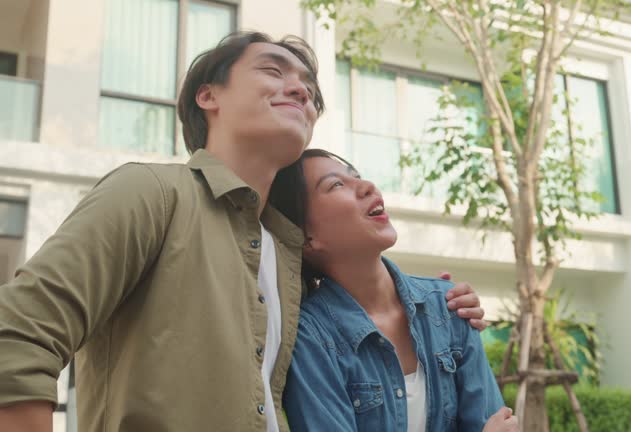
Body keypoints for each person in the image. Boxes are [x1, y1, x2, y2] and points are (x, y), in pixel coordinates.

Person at [0, 32, 487, 432]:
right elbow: (18, 337)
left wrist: (435, 301)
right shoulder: (150, 192)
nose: (301, 91)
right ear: (208, 95)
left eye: (311, 90)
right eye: (273, 71)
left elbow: (361, 311)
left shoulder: (287, 254)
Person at [270, 149, 518, 432]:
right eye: (336, 185)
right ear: (306, 237)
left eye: (357, 177)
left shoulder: (448, 307)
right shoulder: (310, 338)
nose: (367, 187)